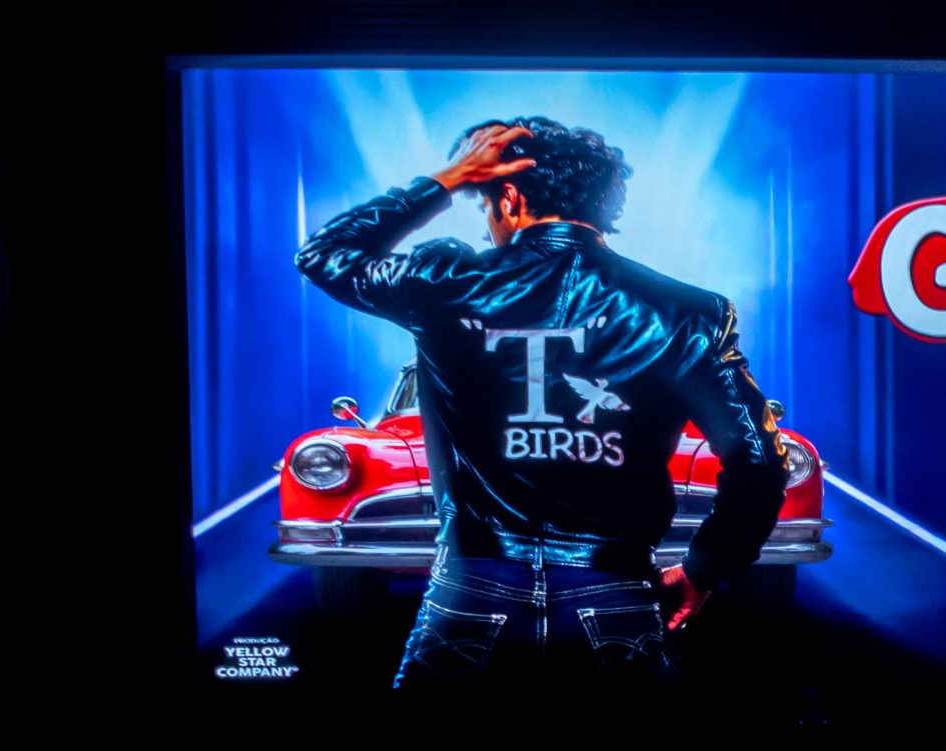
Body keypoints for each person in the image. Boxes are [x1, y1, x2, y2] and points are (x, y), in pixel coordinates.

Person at [296, 116, 787, 688]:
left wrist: (447, 180)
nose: (488, 224)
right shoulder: (688, 311)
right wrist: (702, 570)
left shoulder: (446, 281)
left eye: (485, 205)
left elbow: (324, 254)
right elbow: (758, 463)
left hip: (470, 586)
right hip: (617, 588)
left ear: (508, 197)